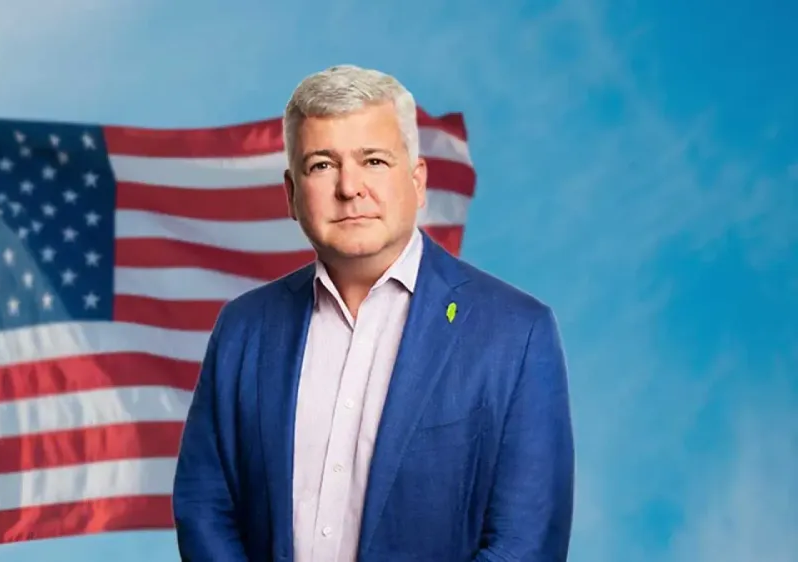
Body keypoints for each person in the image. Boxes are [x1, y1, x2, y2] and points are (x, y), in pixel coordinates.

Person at [172, 64, 575, 561]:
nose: (350, 187)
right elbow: (205, 507)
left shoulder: (516, 334)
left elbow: (526, 541)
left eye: (374, 161)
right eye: (322, 165)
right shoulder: (243, 329)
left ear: (417, 180)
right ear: (291, 194)